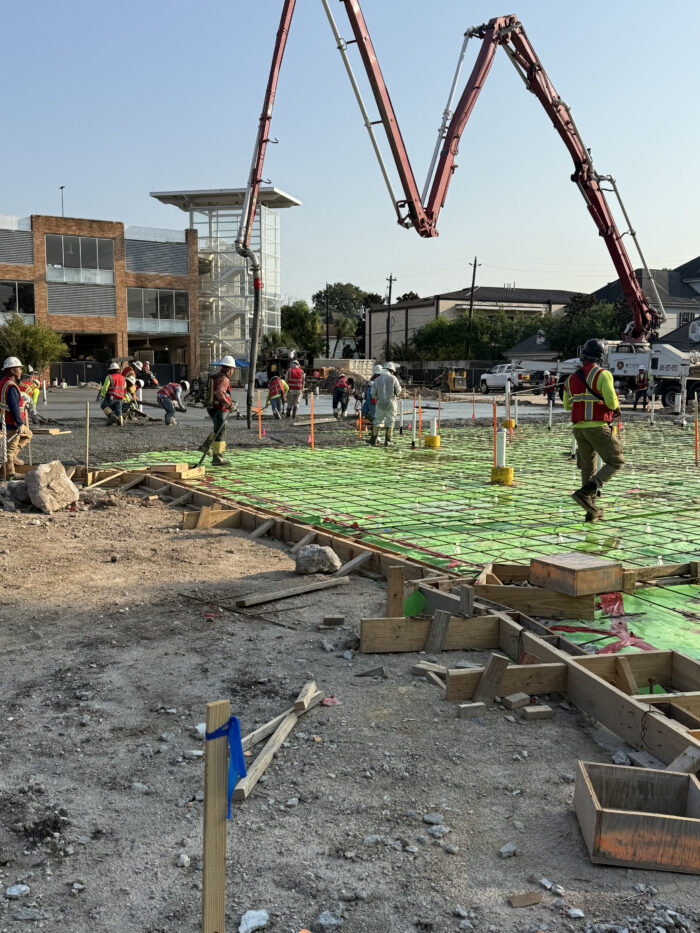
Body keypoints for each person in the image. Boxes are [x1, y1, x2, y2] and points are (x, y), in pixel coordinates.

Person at [563, 338, 624, 522]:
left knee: (587, 469)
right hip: (597, 427)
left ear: (583, 355)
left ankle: (591, 511)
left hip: (579, 430)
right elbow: (612, 403)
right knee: (616, 461)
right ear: (600, 357)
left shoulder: (571, 378)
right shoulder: (603, 375)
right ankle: (587, 491)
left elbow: (567, 405)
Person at [0, 356, 33, 476]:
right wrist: (19, 423)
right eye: (19, 369)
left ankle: (13, 458)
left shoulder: (4, 382)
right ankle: (10, 472)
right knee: (11, 447)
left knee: (28, 434)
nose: (20, 371)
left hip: (7, 420)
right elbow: (13, 407)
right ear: (12, 370)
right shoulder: (11, 386)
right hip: (11, 422)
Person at [200, 356, 235, 465]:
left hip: (211, 407)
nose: (233, 372)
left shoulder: (215, 376)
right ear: (229, 368)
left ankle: (206, 446)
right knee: (221, 432)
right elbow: (219, 393)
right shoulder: (224, 378)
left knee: (217, 429)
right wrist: (228, 404)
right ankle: (218, 458)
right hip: (220, 409)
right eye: (233, 369)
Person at [370, 362, 401, 446]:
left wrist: (378, 398)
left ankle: (373, 439)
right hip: (391, 402)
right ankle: (388, 440)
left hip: (380, 403)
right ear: (391, 370)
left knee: (378, 421)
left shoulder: (377, 379)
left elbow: (373, 393)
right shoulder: (393, 378)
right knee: (390, 421)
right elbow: (398, 390)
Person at [99, 362, 127, 426]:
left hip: (111, 397)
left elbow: (105, 387)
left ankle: (112, 416)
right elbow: (124, 386)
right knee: (118, 410)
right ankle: (120, 422)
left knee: (103, 405)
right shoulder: (123, 378)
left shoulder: (109, 377)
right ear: (118, 370)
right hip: (120, 398)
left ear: (110, 370)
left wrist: (102, 395)